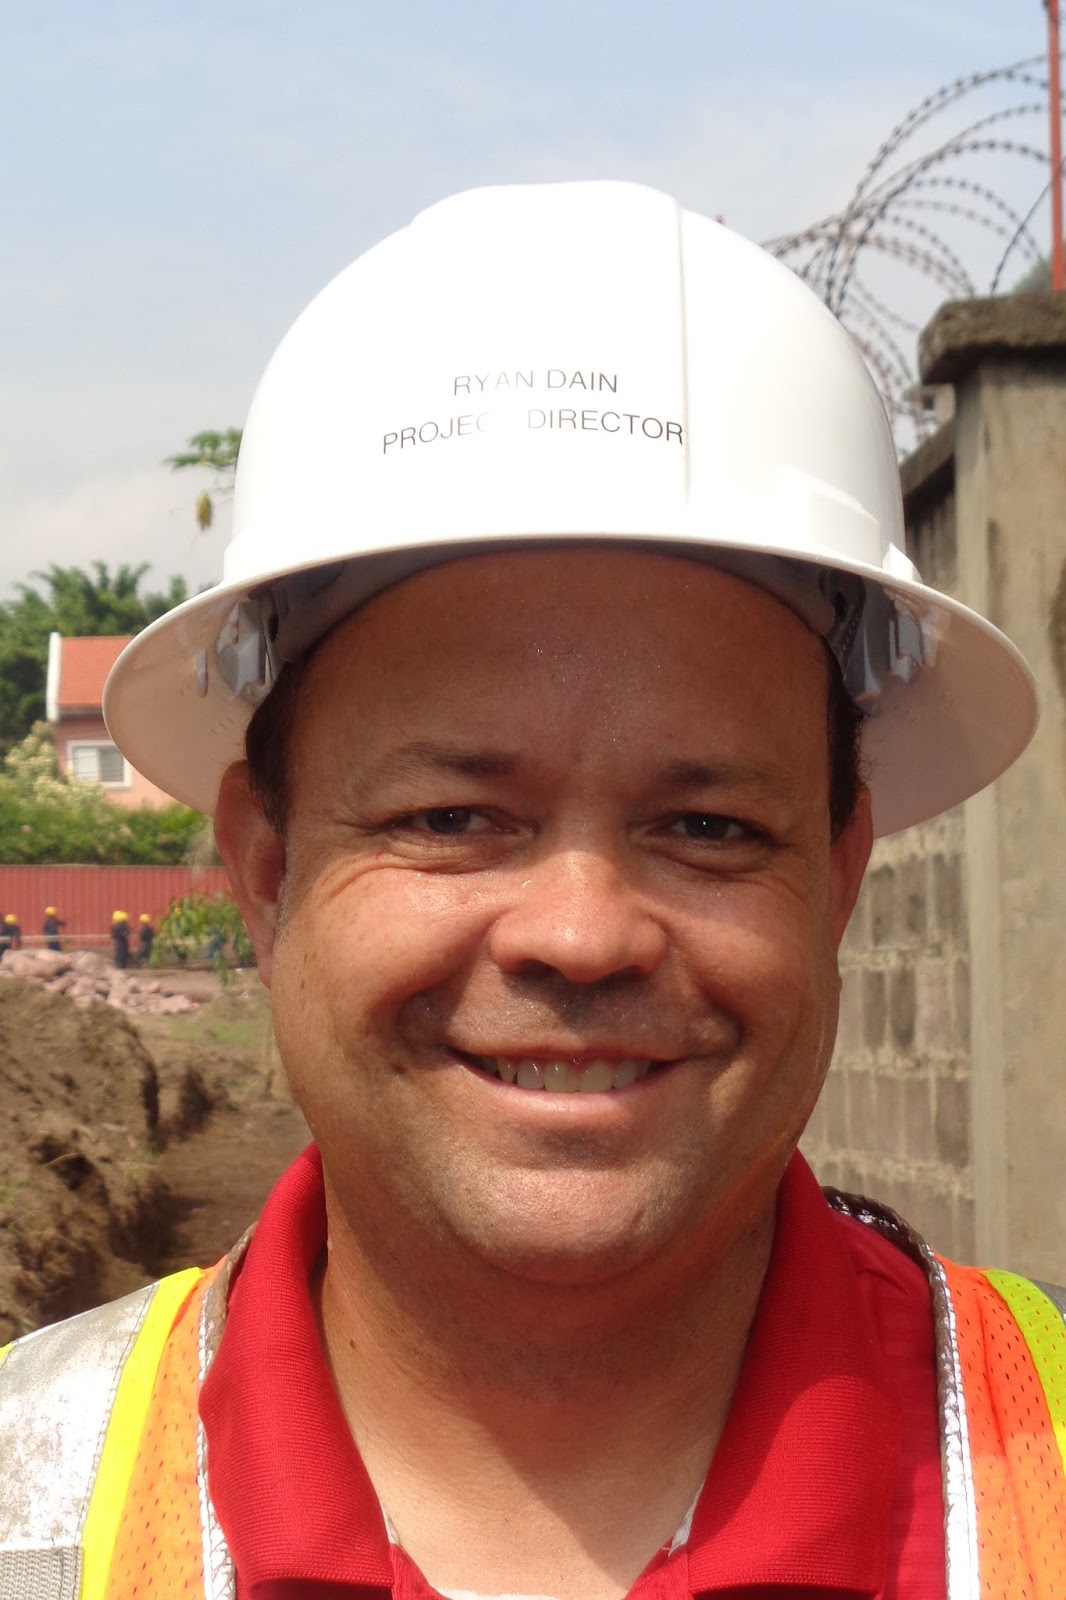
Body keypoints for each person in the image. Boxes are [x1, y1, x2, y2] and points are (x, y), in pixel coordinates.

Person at [2, 183, 1063, 1597]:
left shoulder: (1036, 1472)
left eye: (706, 826)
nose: (580, 932)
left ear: (837, 875)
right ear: (267, 868)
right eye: (451, 819)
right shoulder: (31, 1497)